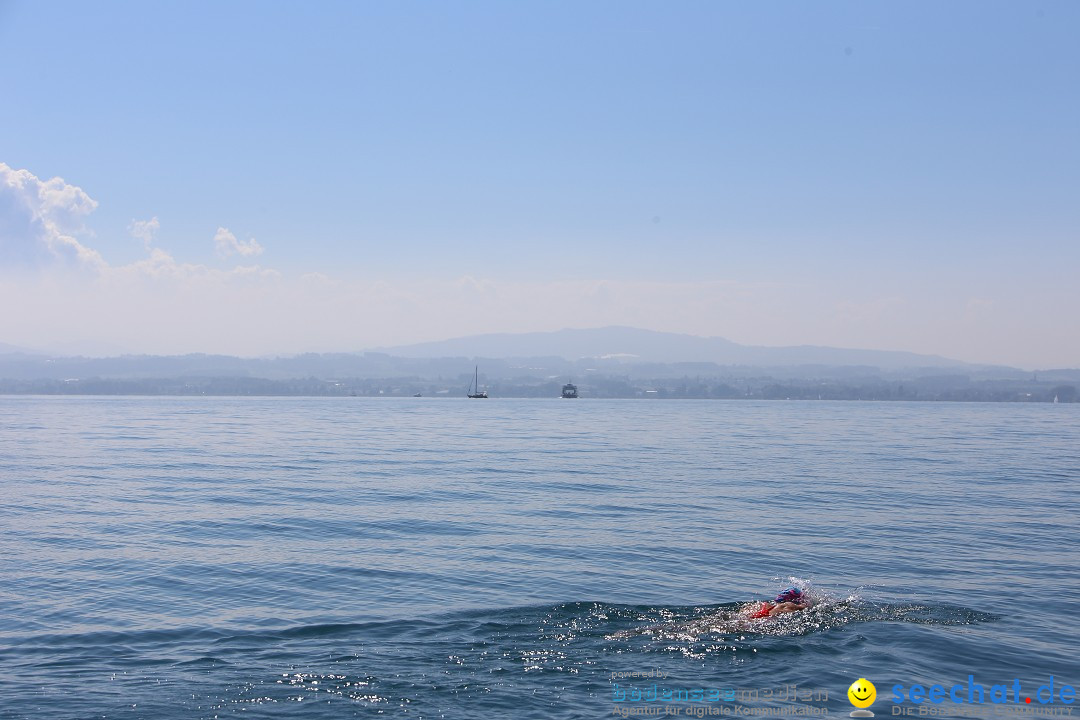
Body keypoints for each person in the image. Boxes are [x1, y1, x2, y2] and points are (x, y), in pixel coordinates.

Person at [744, 587, 810, 619]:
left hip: (749, 618)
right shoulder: (787, 605)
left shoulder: (763, 604)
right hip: (760, 622)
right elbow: (804, 606)